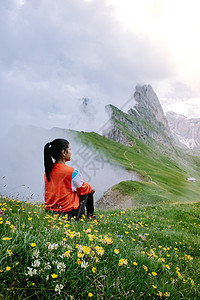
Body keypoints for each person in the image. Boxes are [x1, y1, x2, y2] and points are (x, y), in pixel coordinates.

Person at [44, 138, 95, 220]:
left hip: (49, 211)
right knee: (88, 191)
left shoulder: (48, 171)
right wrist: (91, 189)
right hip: (68, 214)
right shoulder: (72, 172)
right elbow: (83, 189)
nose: (71, 153)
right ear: (64, 152)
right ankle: (90, 216)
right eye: (69, 150)